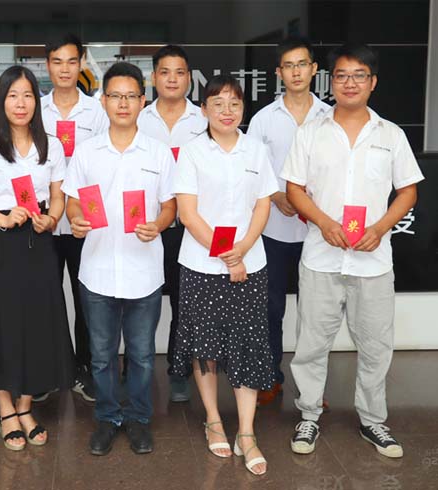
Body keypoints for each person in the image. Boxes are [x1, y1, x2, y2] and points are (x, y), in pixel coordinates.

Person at [282, 43, 423, 459]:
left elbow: (408, 191)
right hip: (321, 258)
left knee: (376, 346)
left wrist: (380, 228)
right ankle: (309, 414)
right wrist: (324, 223)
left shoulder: (391, 135)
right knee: (311, 344)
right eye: (342, 75)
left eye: (359, 75)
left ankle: (373, 420)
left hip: (372, 262)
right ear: (331, 81)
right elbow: (294, 188)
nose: (349, 83)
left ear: (372, 82)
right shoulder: (311, 132)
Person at [0, 66, 75, 451]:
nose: (20, 103)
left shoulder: (51, 145)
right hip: (0, 244)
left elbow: (57, 196)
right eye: (12, 95)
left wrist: (51, 218)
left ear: (36, 101)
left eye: (27, 95)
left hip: (38, 243)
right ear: (1, 101)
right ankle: (6, 408)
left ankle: (26, 406)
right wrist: (0, 217)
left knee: (36, 325)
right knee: (1, 325)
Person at [63, 62, 176, 456]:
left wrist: (158, 224)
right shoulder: (87, 152)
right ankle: (108, 418)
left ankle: (139, 419)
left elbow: (170, 205)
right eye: (115, 96)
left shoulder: (158, 153)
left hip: (144, 271)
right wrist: (76, 219)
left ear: (143, 101)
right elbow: (73, 200)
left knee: (142, 355)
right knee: (102, 356)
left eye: (131, 96)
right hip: (97, 270)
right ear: (104, 101)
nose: (123, 103)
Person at [172, 75, 278, 476]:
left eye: (234, 103)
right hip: (202, 266)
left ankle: (247, 432)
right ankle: (214, 419)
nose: (227, 111)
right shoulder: (192, 152)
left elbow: (263, 205)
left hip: (251, 263)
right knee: (206, 347)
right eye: (217, 103)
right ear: (204, 110)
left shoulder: (256, 150)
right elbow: (188, 213)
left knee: (248, 345)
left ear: (243, 109)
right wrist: (228, 258)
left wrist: (244, 248)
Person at [246, 37, 330, 406]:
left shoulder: (329, 117)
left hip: (320, 232)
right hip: (274, 231)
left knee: (316, 313)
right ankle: (270, 377)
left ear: (314, 69)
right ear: (279, 73)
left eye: (303, 64)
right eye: (289, 66)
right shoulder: (263, 119)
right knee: (271, 309)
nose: (296, 72)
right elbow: (250, 170)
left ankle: (312, 389)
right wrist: (274, 196)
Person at [38, 33, 108, 403]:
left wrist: (91, 215)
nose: (64, 69)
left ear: (81, 63)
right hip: (45, 221)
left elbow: (103, 164)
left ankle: (85, 368)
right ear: (47, 65)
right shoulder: (36, 109)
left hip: (84, 221)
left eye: (71, 61)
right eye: (57, 62)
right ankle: (51, 369)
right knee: (46, 298)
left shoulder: (96, 112)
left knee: (86, 299)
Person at [137, 44, 208, 402]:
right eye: (164, 72)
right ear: (153, 77)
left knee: (184, 303)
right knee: (140, 298)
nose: (172, 79)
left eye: (179, 72)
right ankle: (137, 368)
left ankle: (178, 370)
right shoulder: (138, 118)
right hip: (145, 226)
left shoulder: (203, 120)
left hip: (189, 227)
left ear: (189, 78)